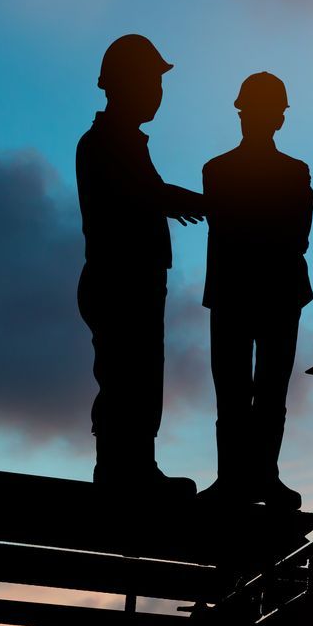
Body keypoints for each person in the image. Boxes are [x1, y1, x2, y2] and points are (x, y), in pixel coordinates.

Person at [76, 34, 207, 495]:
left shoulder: (125, 143)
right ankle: (120, 470)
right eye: (150, 81)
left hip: (138, 278)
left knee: (141, 375)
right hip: (119, 280)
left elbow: (148, 192)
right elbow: (140, 195)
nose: (157, 92)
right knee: (126, 376)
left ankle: (136, 465)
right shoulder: (102, 144)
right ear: (124, 85)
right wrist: (203, 203)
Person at [199, 72, 313, 510]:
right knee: (246, 390)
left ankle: (254, 477)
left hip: (258, 292)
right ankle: (243, 477)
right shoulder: (226, 171)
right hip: (256, 291)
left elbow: (292, 234)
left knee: (261, 391)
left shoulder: (221, 172)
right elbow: (294, 236)